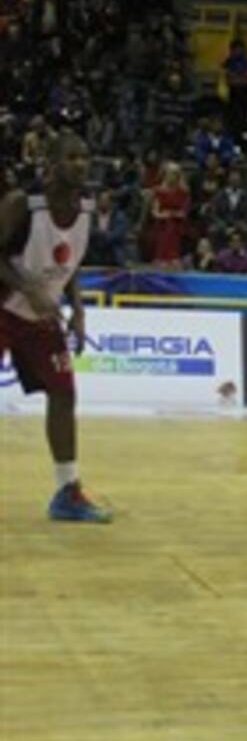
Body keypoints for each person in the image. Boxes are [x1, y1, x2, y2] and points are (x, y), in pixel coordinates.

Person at [0, 131, 111, 522]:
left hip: (41, 315)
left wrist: (78, 309)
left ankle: (67, 491)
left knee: (64, 394)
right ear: (52, 161)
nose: (81, 164)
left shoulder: (85, 209)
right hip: (5, 305)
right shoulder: (21, 204)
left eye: (86, 156)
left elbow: (71, 262)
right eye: (72, 157)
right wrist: (29, 287)